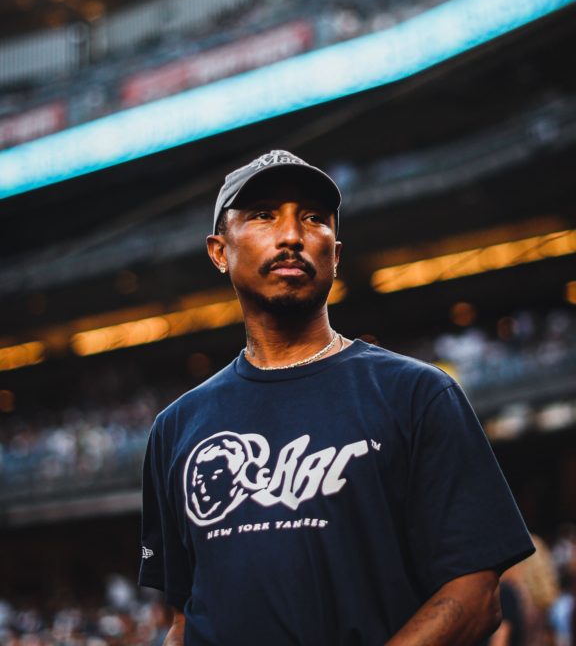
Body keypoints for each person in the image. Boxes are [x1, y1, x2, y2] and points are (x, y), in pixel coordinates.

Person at [139, 149, 535, 645]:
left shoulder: (417, 394)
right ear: (219, 251)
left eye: (313, 219)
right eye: (264, 215)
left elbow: (476, 595)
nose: (291, 236)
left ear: (336, 253)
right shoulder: (177, 427)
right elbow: (181, 619)